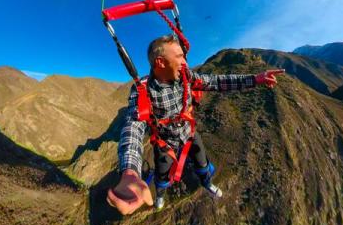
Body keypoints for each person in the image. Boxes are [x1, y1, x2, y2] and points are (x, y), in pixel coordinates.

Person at [108, 35, 283, 215]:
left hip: (189, 134)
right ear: (160, 62)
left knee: (202, 163)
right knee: (162, 174)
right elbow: (133, 126)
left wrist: (255, 79)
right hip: (165, 143)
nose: (185, 62)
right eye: (179, 56)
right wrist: (130, 173)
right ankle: (160, 195)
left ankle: (207, 183)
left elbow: (217, 82)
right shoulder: (143, 90)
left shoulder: (186, 77)